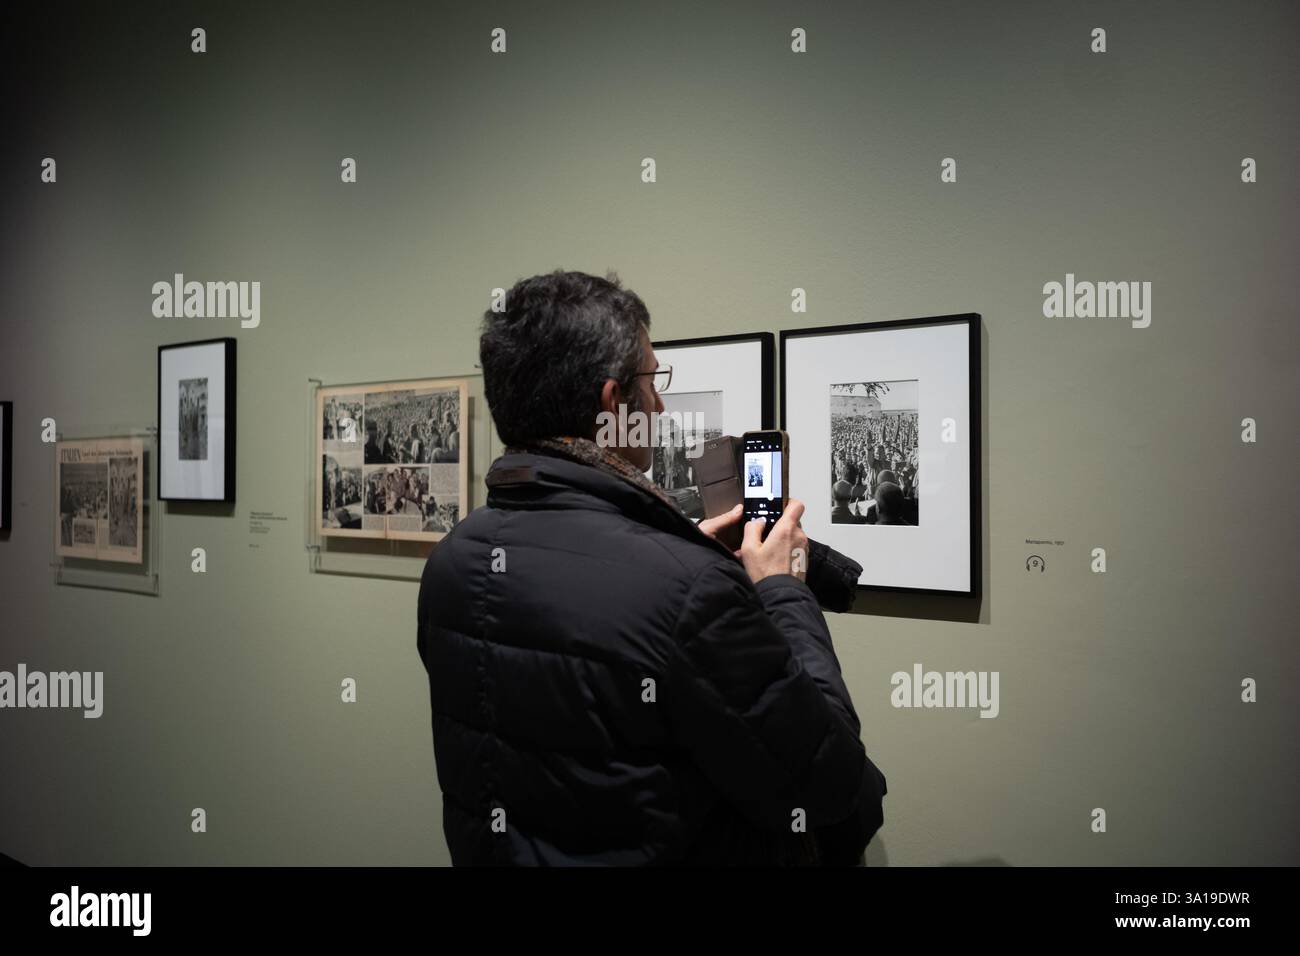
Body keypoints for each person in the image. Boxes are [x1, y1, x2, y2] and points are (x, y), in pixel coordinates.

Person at [417, 269, 886, 866]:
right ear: (614, 404)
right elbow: (836, 787)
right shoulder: (684, 589)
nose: (659, 402)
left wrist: (669, 553)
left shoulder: (455, 559)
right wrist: (781, 592)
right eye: (651, 379)